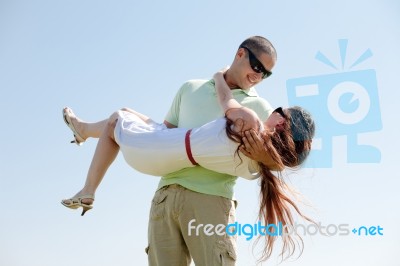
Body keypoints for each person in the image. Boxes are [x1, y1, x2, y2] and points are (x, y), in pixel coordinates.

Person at [62, 71, 315, 264]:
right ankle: (83, 137)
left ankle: (86, 161)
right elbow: (279, 162)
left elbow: (226, 99)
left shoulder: (251, 117)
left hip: (173, 166)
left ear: (281, 121)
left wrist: (218, 75)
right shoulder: (260, 157)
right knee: (125, 114)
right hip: (167, 172)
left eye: (280, 110)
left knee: (118, 117)